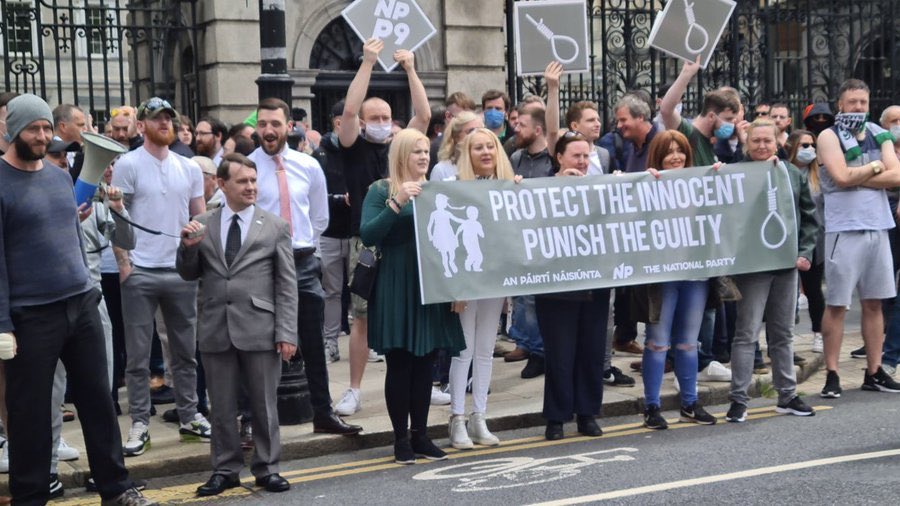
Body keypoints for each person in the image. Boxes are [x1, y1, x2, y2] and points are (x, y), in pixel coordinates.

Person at [0, 93, 153, 505]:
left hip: (80, 302)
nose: (43, 135)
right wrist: (2, 325)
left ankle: (116, 489)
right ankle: (30, 496)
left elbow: (65, 236)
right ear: (12, 130)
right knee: (30, 413)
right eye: (34, 128)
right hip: (30, 316)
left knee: (98, 402)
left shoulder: (56, 176)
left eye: (47, 128)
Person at [177, 153, 297, 496]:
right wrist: (187, 247)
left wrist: (287, 332)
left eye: (254, 181)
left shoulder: (274, 226)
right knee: (222, 407)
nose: (251, 187)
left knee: (264, 404)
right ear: (222, 184)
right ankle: (225, 469)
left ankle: (268, 468)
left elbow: (286, 285)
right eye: (243, 181)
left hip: (260, 326)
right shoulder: (202, 223)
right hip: (216, 326)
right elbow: (188, 273)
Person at [333, 37, 438, 417]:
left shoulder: (403, 147)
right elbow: (347, 110)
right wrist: (368, 63)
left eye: (385, 118)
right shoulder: (353, 145)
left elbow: (424, 118)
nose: (381, 124)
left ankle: (424, 382)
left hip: (406, 240)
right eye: (373, 118)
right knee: (360, 315)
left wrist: (411, 69)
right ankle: (355, 389)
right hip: (368, 238)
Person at [249, 97, 360, 435]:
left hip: (301, 260)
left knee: (312, 341)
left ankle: (323, 414)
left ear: (289, 126)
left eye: (275, 124)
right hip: (261, 264)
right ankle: (256, 421)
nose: (269, 131)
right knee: (261, 345)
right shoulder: (247, 167)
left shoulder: (308, 166)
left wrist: (300, 246)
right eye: (263, 124)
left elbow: (319, 217)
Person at [112, 97, 211, 457]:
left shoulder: (189, 167)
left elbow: (199, 217)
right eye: (156, 119)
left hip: (180, 271)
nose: (165, 123)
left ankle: (190, 415)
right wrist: (125, 265)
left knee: (186, 352)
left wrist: (195, 246)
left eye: (168, 118)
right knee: (138, 357)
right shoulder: (128, 164)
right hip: (140, 271)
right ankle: (140, 422)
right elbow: (118, 217)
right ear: (142, 126)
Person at [360, 128, 465, 463]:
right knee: (401, 362)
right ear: (401, 156)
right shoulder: (380, 190)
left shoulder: (439, 190)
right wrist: (398, 201)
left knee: (425, 363)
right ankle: (400, 440)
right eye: (416, 152)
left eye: (426, 151)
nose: (424, 156)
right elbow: (369, 234)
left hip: (431, 282)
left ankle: (421, 435)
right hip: (395, 282)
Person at [726, 119, 818, 423]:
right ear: (746, 143)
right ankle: (738, 400)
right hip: (753, 268)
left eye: (767, 140)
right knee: (746, 334)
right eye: (756, 141)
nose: (762, 146)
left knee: (783, 334)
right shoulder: (735, 174)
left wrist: (804, 253)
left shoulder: (791, 174)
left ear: (778, 142)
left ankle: (787, 395)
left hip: (785, 267)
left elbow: (809, 217)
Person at [817, 79, 900, 397]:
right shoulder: (828, 136)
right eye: (852, 102)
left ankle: (874, 371)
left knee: (875, 303)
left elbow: (897, 176)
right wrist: (877, 169)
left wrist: (859, 176)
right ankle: (832, 374)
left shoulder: (880, 134)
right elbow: (838, 176)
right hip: (844, 229)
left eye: (863, 102)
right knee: (837, 304)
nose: (858, 108)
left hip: (877, 226)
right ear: (840, 104)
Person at [634, 130, 718, 429]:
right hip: (663, 276)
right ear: (657, 156)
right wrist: (642, 185)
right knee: (657, 342)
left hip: (695, 273)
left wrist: (718, 177)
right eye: (668, 151)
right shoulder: (647, 184)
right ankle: (652, 407)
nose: (675, 156)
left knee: (688, 343)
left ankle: (690, 404)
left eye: (680, 150)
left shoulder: (699, 183)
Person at [446, 128, 516, 449]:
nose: (485, 152)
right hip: (467, 280)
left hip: (495, 278)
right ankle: (456, 419)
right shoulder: (456, 189)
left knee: (486, 350)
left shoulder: (511, 187)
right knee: (464, 350)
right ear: (468, 154)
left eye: (490, 146)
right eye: (478, 148)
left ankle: (479, 417)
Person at [537, 132, 609, 441]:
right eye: (576, 156)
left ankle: (587, 414)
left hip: (595, 282)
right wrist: (560, 187)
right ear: (560, 158)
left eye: (586, 156)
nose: (582, 161)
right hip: (556, 286)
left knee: (591, 351)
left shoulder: (601, 186)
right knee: (560, 355)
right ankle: (556, 417)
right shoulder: (542, 187)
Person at [786, 130, 826, 352]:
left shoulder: (818, 175)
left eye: (812, 145)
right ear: (792, 147)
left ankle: (818, 333)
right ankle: (787, 338)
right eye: (803, 145)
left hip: (814, 241)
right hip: (788, 239)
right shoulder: (785, 173)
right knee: (788, 293)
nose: (809, 149)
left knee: (813, 291)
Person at [429, 111, 483, 182]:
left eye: (481, 131)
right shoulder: (441, 170)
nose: (477, 135)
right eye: (471, 131)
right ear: (456, 137)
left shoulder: (488, 166)